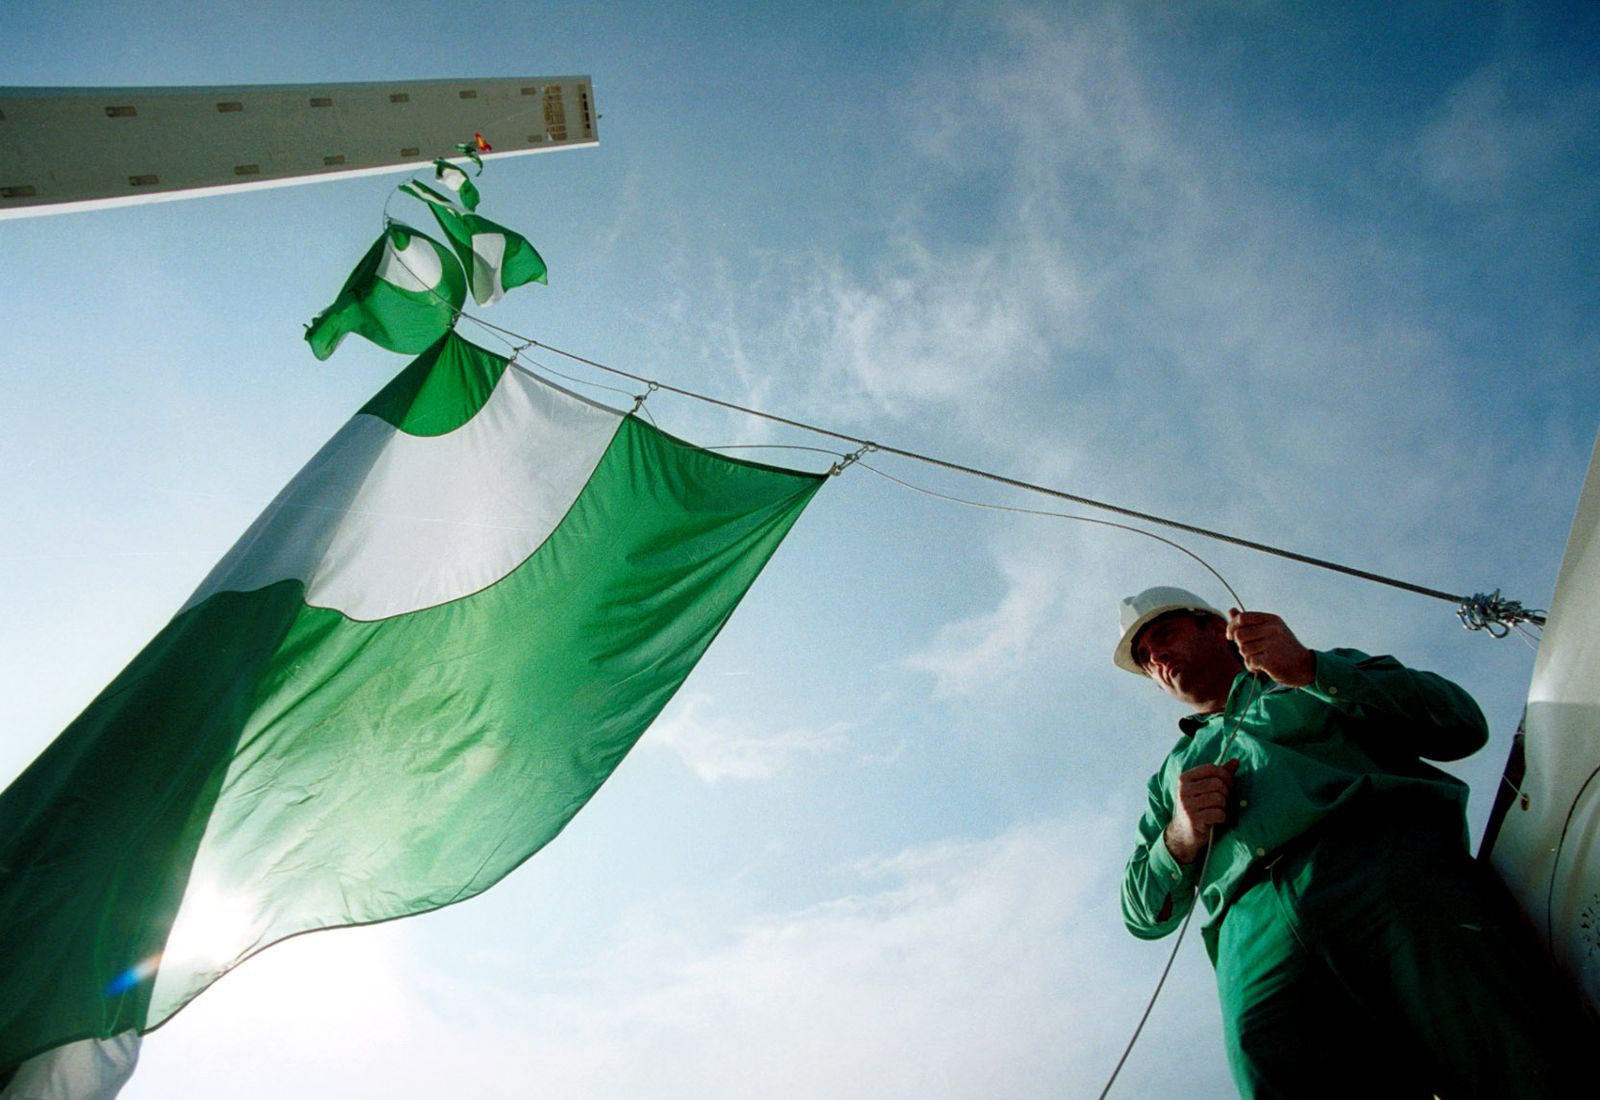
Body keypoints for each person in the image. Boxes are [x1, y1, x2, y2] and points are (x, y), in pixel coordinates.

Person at [1116, 586, 1581, 1099]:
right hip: (1249, 936)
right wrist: (1181, 835)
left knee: (1497, 1045)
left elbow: (1460, 724)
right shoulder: (1170, 779)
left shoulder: (1313, 673)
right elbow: (1142, 915)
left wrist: (1312, 672)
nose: (1155, 657)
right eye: (1143, 658)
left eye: (1163, 635)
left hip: (1387, 875)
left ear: (1216, 627)